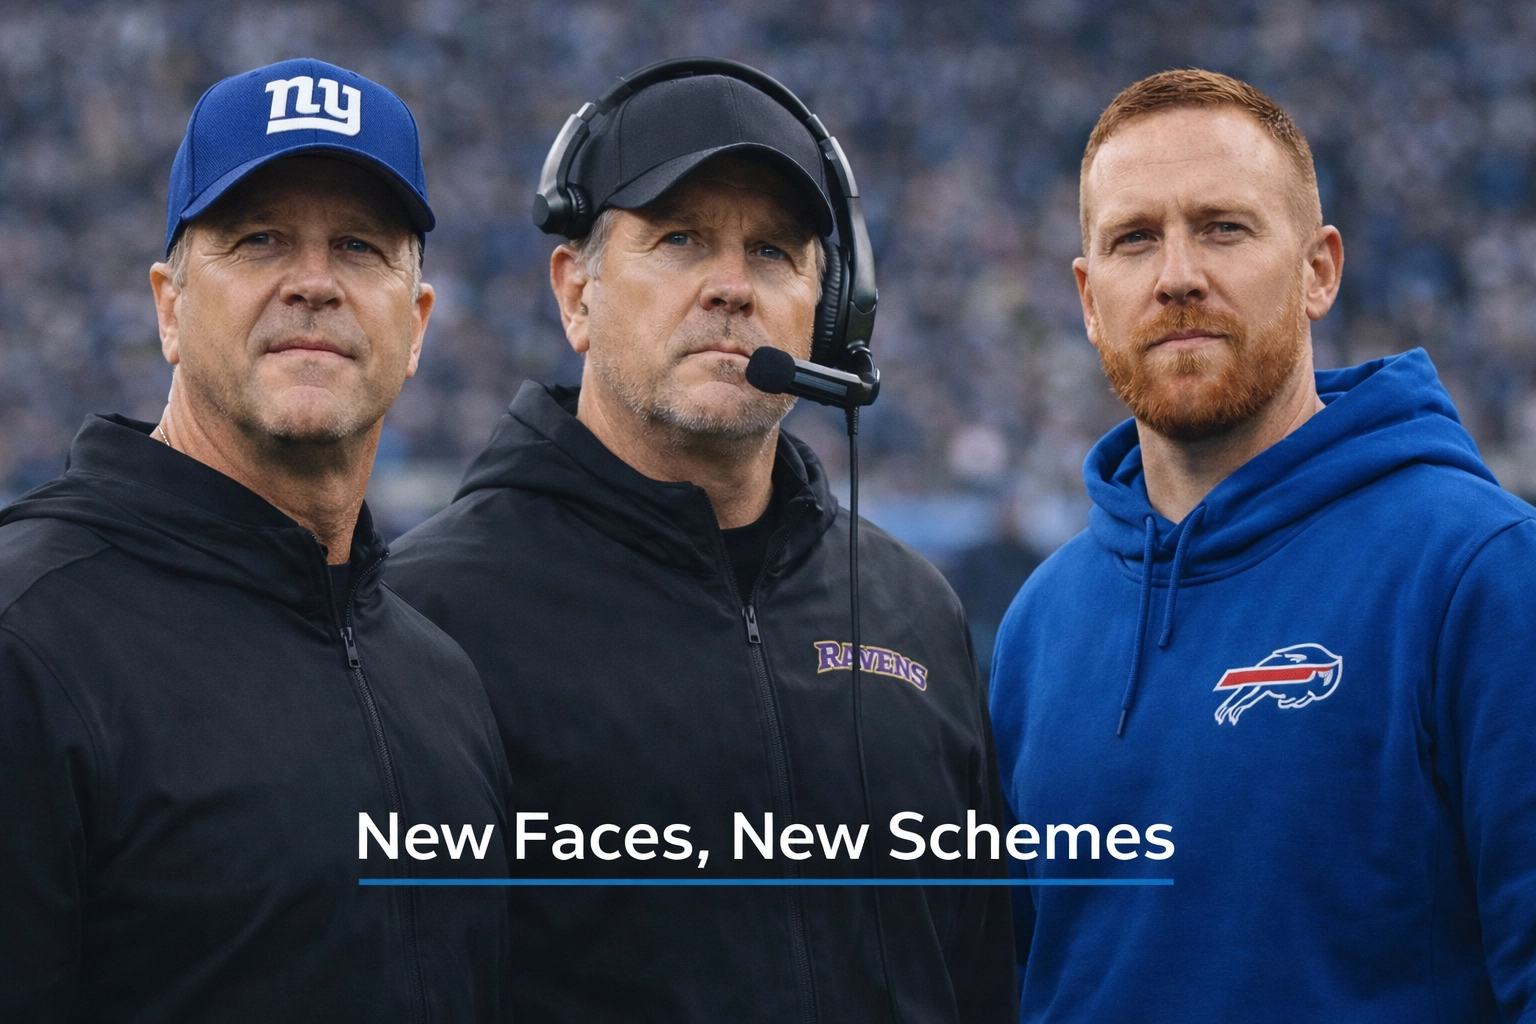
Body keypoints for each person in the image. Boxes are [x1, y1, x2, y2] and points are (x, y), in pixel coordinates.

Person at [389, 61, 1016, 1022]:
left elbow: (982, 975)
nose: (731, 286)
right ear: (576, 293)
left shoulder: (912, 610)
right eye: (679, 239)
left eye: (773, 252)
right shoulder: (425, 619)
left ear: (832, 308)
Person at [989, 68, 1536, 1023]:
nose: (1177, 275)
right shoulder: (1041, 622)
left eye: (1223, 227)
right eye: (1133, 240)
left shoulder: (1480, 571)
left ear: (1319, 269)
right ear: (1086, 296)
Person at [0, 59, 511, 1020]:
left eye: (359, 246)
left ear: (417, 326)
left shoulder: (439, 678)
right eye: (259, 238)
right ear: (168, 308)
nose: (313, 282)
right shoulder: (29, 637)